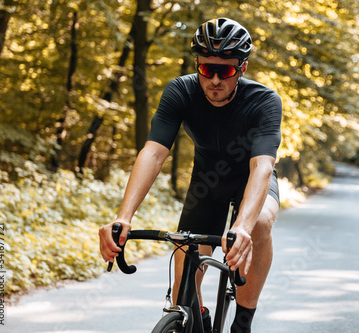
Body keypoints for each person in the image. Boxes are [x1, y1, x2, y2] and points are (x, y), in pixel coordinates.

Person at [98, 17, 282, 333]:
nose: (213, 79)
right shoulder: (181, 91)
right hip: (207, 183)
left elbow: (261, 167)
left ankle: (242, 322)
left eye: (224, 70)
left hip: (251, 180)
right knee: (184, 287)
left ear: (242, 68)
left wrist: (242, 226)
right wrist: (123, 217)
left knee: (261, 222)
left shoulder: (264, 101)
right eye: (206, 68)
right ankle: (197, 323)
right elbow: (154, 153)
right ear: (196, 63)